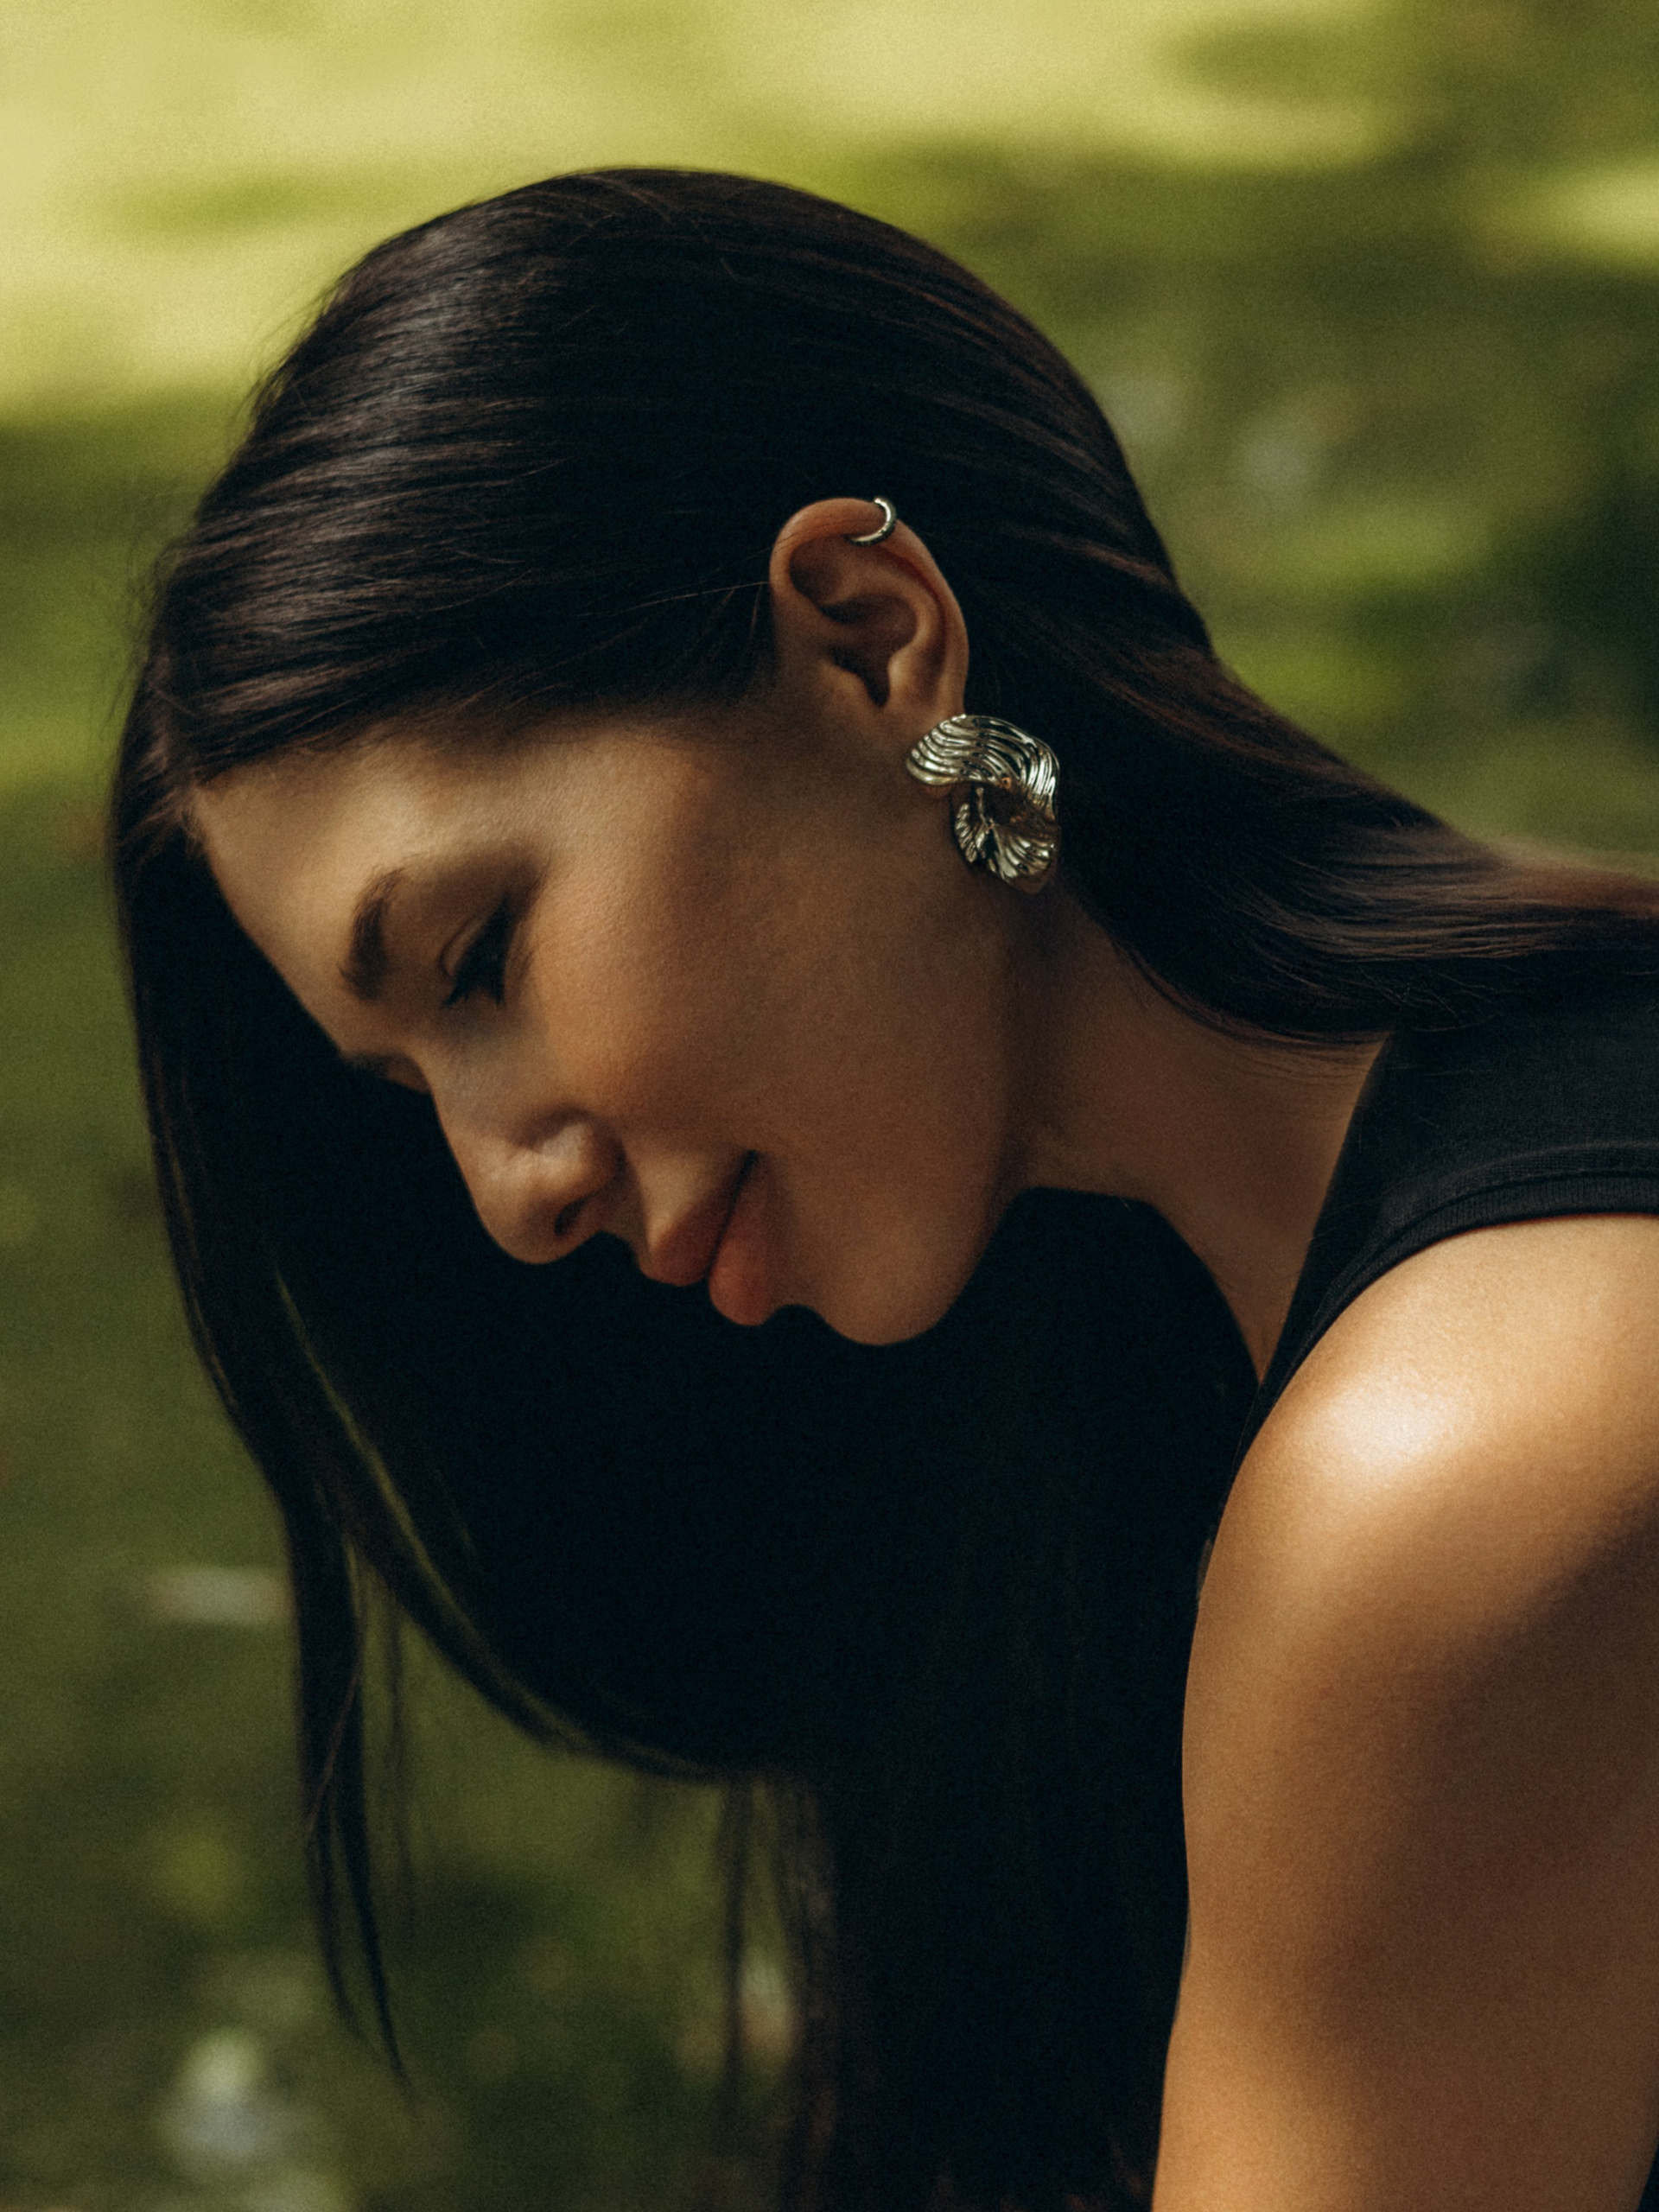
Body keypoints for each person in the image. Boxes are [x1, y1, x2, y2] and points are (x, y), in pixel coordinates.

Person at [111, 168, 1659, 2212]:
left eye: (483, 961)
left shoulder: (1472, 1453)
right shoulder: (1245, 1292)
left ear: (869, 639)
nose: (508, 1198)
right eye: (412, 1088)